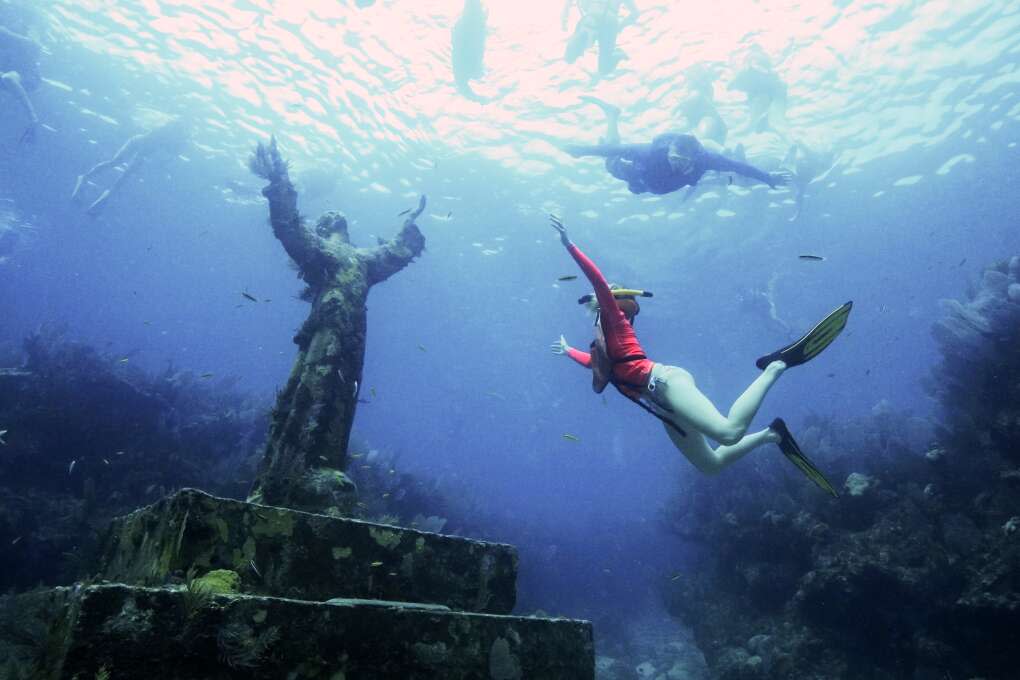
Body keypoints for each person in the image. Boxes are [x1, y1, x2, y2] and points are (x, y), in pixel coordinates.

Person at [548, 214, 849, 495]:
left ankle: (776, 365)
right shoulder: (602, 344)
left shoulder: (616, 321)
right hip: (666, 410)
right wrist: (567, 352)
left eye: (598, 302)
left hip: (666, 383)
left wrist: (569, 245)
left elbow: (598, 282)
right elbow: (597, 366)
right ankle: (773, 435)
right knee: (711, 465)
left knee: (729, 433)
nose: (593, 305)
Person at [563, 97, 791, 195]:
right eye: (673, 159)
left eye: (682, 162)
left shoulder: (708, 159)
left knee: (625, 171)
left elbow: (739, 166)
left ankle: (612, 116)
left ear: (693, 158)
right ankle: (612, 116)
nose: (676, 164)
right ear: (669, 151)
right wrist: (583, 151)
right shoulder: (650, 153)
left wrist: (767, 177)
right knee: (611, 163)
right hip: (641, 175)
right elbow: (617, 150)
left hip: (651, 184)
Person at [70, 116, 189, 216]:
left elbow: (170, 151)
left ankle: (100, 195)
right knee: (116, 163)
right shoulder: (165, 130)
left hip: (143, 150)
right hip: (138, 142)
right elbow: (163, 144)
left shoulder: (170, 135)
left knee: (123, 175)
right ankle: (85, 178)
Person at [562, 0, 639, 78]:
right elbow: (636, 13)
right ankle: (616, 54)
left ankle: (617, 54)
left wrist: (564, 17)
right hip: (609, 21)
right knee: (604, 69)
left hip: (593, 18)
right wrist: (620, 26)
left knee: (570, 55)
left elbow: (569, 2)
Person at [729, 45, 788, 134]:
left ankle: (767, 124)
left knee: (751, 125)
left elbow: (731, 85)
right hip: (769, 95)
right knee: (777, 125)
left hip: (762, 96)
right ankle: (790, 140)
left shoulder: (751, 64)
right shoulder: (766, 69)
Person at [0, 23, 41, 144]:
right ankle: (33, 119)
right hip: (11, 74)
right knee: (7, 77)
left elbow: (34, 45)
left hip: (29, 78)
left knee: (8, 78)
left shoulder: (26, 42)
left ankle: (34, 118)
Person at [674, 64, 727, 148]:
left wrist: (677, 107)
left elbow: (692, 99)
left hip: (708, 120)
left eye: (687, 80)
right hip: (710, 123)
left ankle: (725, 152)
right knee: (697, 141)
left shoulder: (696, 92)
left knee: (701, 143)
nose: (685, 83)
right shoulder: (702, 91)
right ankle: (722, 152)